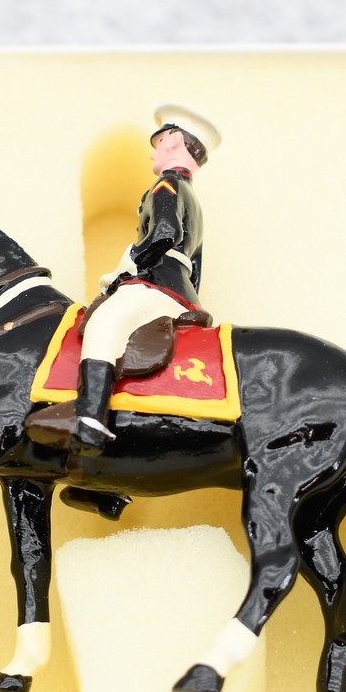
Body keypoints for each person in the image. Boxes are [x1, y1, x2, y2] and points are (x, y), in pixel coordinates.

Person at [69, 104, 219, 453]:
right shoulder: (193, 199)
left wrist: (132, 264)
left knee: (105, 324)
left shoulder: (166, 184)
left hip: (157, 281)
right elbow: (195, 267)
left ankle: (89, 418)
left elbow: (165, 233)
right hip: (182, 291)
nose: (154, 151)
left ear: (175, 141)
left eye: (159, 142)